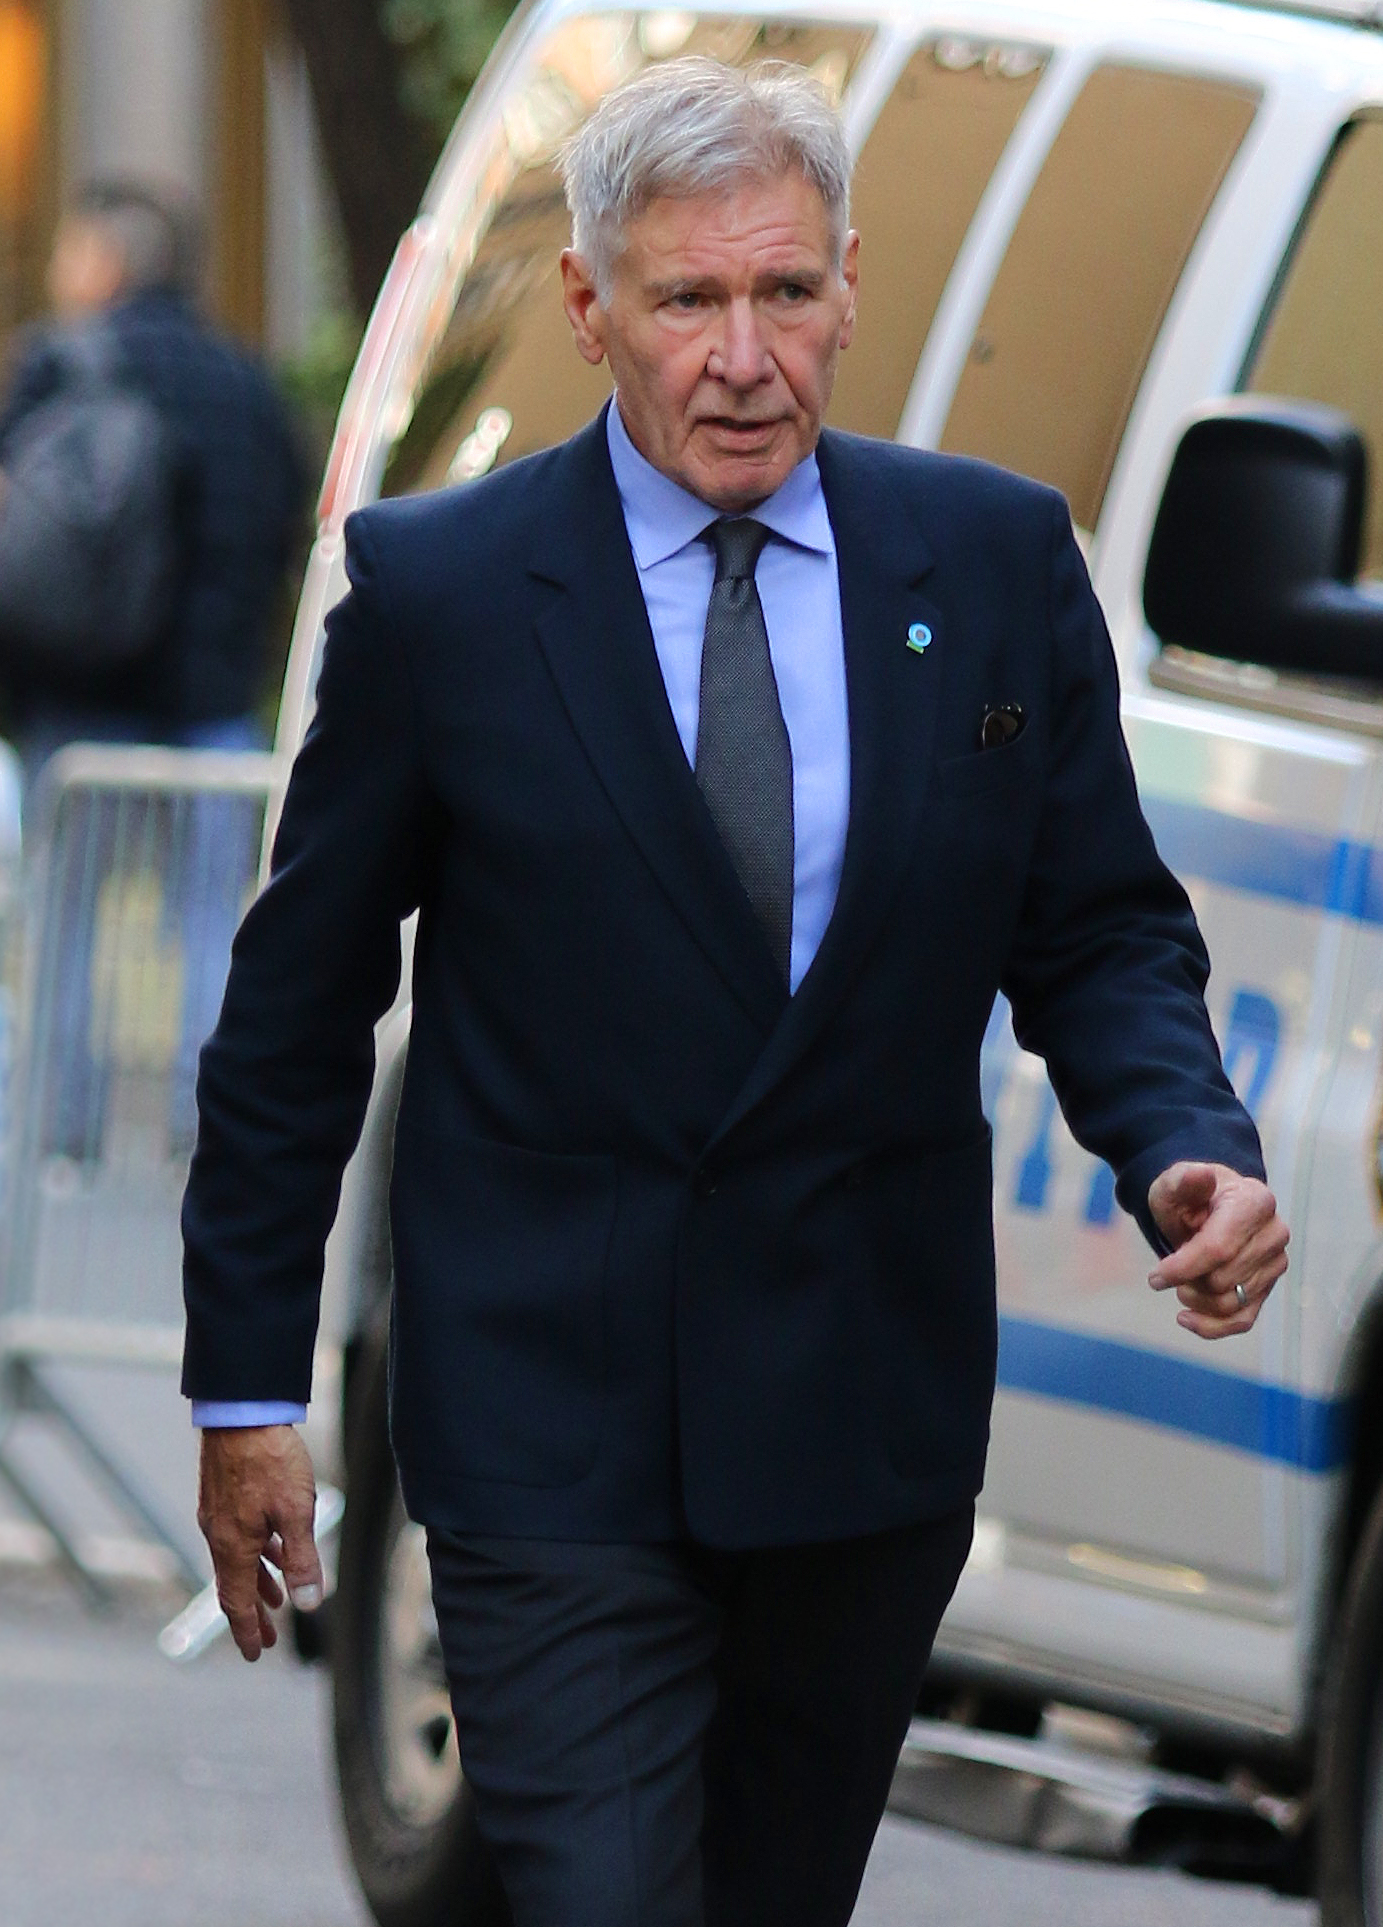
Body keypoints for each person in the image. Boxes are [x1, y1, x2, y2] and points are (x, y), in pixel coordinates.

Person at [183, 59, 1289, 1927]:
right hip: (553, 1423)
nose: (743, 354)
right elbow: (294, 1015)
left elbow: (1091, 919)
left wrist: (1179, 1140)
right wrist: (243, 1389)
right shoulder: (447, 595)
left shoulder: (991, 568)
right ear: (591, 308)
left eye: (785, 293)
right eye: (688, 300)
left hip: (857, 1413)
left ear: (851, 286)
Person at [0, 180, 306, 1158]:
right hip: (214, 708)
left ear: (104, 261)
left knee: (68, 928)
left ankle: (63, 1137)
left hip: (83, 706)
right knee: (213, 920)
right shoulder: (247, 383)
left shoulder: (63, 364)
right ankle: (200, 1124)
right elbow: (284, 526)